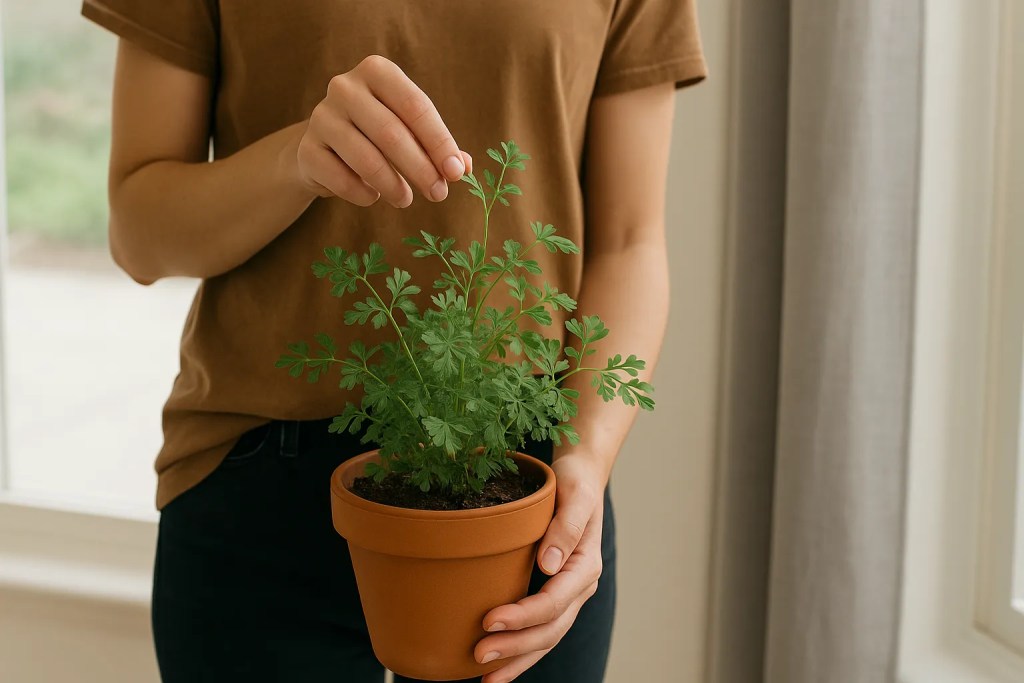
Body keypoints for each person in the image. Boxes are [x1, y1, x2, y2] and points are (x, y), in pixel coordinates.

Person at [81, 1, 707, 681]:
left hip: (519, 495)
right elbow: (139, 232)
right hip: (263, 485)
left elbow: (629, 242)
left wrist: (584, 464)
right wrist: (297, 159)